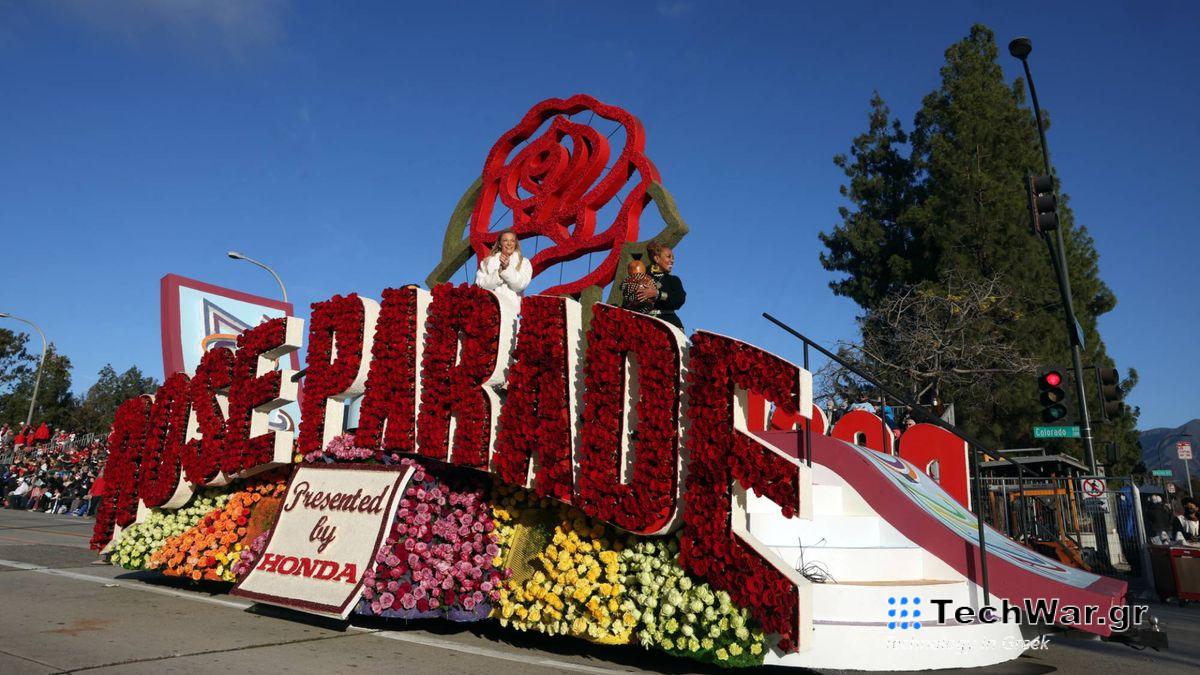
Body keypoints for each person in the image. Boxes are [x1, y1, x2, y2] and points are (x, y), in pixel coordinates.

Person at [475, 229, 532, 310]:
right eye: (505, 240)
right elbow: (480, 285)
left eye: (512, 241)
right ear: (500, 244)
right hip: (490, 309)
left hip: (512, 311)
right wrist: (498, 273)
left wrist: (506, 269)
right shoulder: (486, 262)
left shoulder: (524, 263)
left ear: (515, 244)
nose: (509, 244)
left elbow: (520, 285)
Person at [636, 242, 686, 331]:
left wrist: (657, 294)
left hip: (669, 324)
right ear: (657, 258)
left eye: (673, 258)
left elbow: (680, 299)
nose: (672, 260)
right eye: (668, 256)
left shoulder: (673, 280)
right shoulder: (641, 276)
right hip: (643, 323)